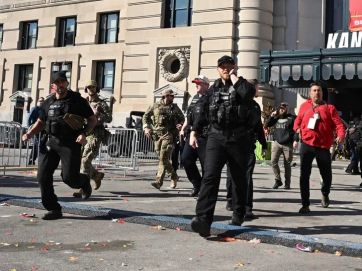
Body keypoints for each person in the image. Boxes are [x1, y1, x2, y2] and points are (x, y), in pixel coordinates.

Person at [189, 55, 257, 237]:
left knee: (238, 178)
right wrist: (194, 131)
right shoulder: (213, 89)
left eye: (229, 66)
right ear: (218, 69)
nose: (226, 69)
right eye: (222, 67)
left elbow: (249, 95)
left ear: (235, 67)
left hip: (238, 139)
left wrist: (235, 79)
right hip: (216, 137)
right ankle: (203, 219)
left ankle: (239, 212)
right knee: (210, 176)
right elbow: (202, 110)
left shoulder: (242, 85)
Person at [22, 71, 97, 220]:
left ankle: (83, 181)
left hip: (70, 143)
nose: (60, 85)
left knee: (69, 178)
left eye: (63, 82)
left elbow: (92, 120)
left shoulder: (77, 100)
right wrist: (29, 134)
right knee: (42, 176)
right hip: (50, 142)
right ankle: (54, 208)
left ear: (67, 84)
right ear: (53, 86)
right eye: (57, 83)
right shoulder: (47, 102)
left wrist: (84, 134)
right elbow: (41, 122)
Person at [293, 82, 345, 214]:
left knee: (326, 175)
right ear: (310, 93)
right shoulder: (304, 106)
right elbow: (297, 121)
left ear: (322, 93)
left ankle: (325, 193)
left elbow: (339, 125)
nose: (317, 93)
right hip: (307, 144)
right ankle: (305, 204)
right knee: (304, 175)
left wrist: (341, 135)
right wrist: (297, 128)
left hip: (323, 146)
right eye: (314, 90)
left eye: (319, 91)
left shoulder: (329, 108)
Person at [225, 79, 267, 219]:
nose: (257, 91)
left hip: (248, 145)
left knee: (246, 175)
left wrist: (264, 144)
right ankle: (232, 201)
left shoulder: (255, 106)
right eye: (255, 88)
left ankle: (246, 208)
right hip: (233, 143)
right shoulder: (234, 101)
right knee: (233, 174)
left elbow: (258, 127)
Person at [73, 80, 112, 198]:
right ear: (86, 89)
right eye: (89, 87)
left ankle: (83, 188)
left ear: (96, 89)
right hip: (84, 133)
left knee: (85, 160)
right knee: (81, 160)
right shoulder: (83, 102)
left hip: (96, 134)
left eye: (93, 87)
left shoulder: (101, 103)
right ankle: (96, 175)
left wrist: (98, 115)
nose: (91, 89)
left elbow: (109, 118)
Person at [142, 89, 185, 189]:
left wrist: (181, 124)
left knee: (163, 157)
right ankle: (174, 176)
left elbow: (182, 118)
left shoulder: (174, 107)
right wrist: (146, 127)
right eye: (171, 96)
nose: (173, 98)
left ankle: (158, 181)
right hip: (157, 136)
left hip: (169, 135)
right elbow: (146, 116)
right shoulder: (155, 105)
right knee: (162, 158)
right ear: (165, 96)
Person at [180, 75, 210, 197]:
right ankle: (197, 184)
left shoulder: (210, 98)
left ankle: (205, 190)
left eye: (199, 83)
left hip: (204, 135)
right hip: (192, 135)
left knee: (206, 165)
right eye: (195, 83)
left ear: (206, 85)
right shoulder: (194, 98)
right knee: (185, 159)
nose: (196, 85)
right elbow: (189, 116)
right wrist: (183, 128)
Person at [266, 102, 298, 189]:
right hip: (277, 143)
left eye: (284, 108)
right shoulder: (276, 118)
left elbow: (296, 130)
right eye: (280, 108)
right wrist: (272, 116)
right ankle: (278, 180)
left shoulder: (292, 118)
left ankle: (287, 184)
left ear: (287, 108)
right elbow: (267, 125)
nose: (282, 109)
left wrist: (295, 140)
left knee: (287, 164)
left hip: (287, 144)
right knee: (273, 162)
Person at [27, 97, 45, 165]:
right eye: (40, 101)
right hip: (35, 129)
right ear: (37, 102)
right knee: (38, 144)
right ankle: (34, 160)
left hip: (42, 130)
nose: (41, 102)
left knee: (38, 145)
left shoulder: (44, 110)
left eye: (43, 101)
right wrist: (30, 127)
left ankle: (32, 160)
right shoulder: (35, 109)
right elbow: (29, 118)